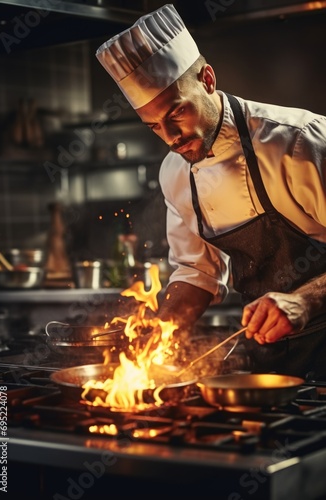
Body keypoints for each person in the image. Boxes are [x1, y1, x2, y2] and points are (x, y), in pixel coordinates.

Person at [95, 4, 326, 380]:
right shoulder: (175, 171)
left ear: (207, 79)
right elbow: (196, 272)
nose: (171, 139)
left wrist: (303, 300)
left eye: (176, 114)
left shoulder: (299, 142)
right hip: (272, 361)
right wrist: (156, 339)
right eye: (153, 127)